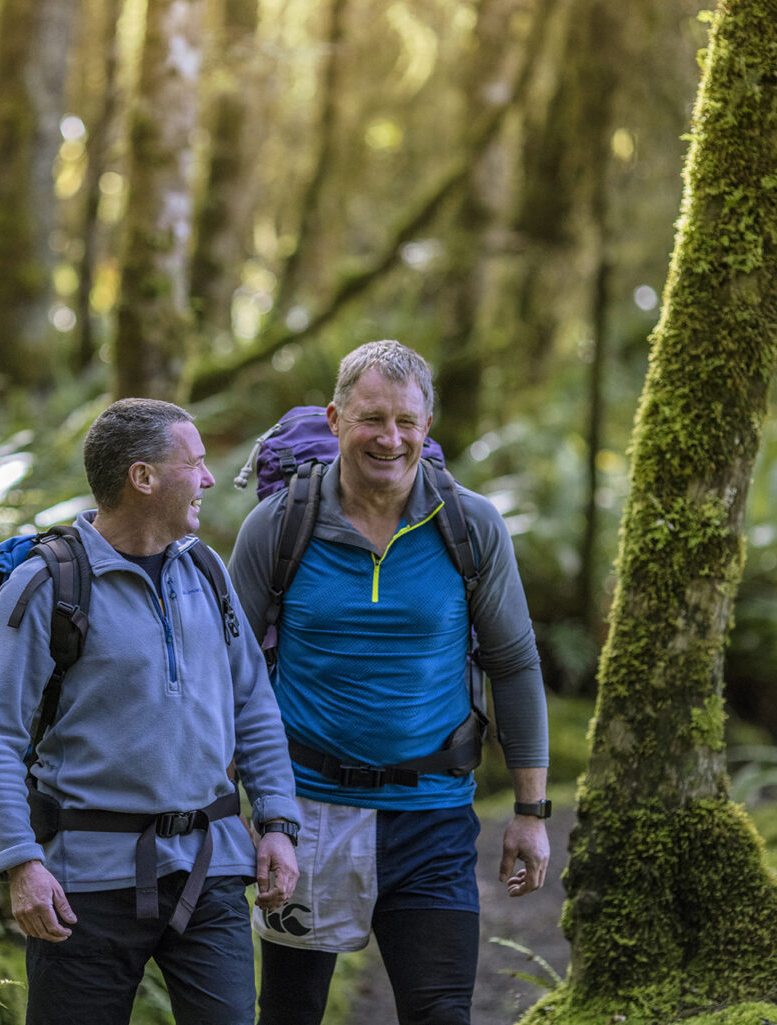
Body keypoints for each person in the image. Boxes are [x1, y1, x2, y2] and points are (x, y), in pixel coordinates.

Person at [228, 341, 551, 1025]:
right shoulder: (279, 525)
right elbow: (225, 670)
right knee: (290, 1012)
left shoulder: (471, 526)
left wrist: (531, 811)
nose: (390, 437)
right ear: (336, 417)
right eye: (372, 418)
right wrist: (234, 807)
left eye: (407, 420)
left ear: (427, 426)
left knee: (440, 1011)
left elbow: (514, 663)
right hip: (304, 813)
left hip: (432, 815)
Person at [0, 397, 301, 1025]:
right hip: (81, 885)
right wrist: (19, 861)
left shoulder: (206, 571)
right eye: (194, 464)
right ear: (143, 477)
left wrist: (279, 822)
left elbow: (253, 703)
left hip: (212, 868)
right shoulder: (46, 586)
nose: (208, 479)